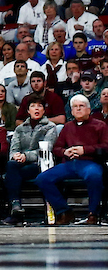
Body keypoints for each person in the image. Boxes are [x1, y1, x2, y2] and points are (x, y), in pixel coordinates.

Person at [34, 94, 108, 225]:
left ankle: (93, 213)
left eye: (81, 106)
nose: (78, 109)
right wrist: (65, 151)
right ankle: (64, 211)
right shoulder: (67, 126)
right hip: (69, 163)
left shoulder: (100, 125)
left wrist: (84, 149)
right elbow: (56, 148)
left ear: (88, 109)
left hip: (90, 162)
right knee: (42, 178)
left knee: (94, 176)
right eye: (75, 107)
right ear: (71, 111)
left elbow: (105, 146)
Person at [0, 98, 59, 225]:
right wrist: (15, 156)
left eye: (39, 106)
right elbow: (14, 148)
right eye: (33, 106)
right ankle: (16, 206)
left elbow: (46, 149)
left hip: (41, 164)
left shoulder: (50, 127)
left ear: (44, 110)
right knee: (11, 165)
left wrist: (26, 156)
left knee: (13, 174)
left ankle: (15, 210)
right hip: (20, 164)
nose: (36, 109)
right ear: (28, 110)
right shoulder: (20, 128)